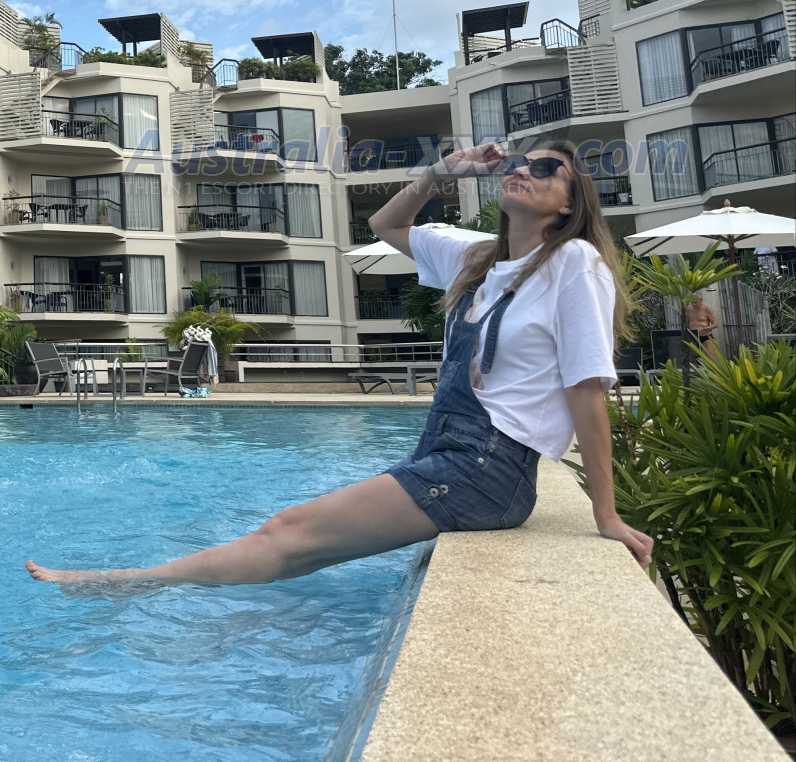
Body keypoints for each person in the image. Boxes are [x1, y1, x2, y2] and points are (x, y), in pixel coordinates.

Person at [26, 141, 653, 587]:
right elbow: (385, 223)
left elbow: (586, 387)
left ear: (569, 205)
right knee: (299, 543)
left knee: (290, 530)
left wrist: (605, 514)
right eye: (519, 161)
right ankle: (142, 582)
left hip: (490, 467)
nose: (522, 169)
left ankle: (128, 583)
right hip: (446, 449)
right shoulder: (476, 258)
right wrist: (440, 172)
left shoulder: (574, 264)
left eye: (545, 168)